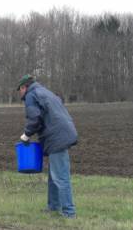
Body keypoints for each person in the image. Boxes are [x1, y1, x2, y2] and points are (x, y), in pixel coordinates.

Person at [17, 74, 78, 218]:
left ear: (24, 87)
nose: (19, 93)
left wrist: (26, 135)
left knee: (61, 177)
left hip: (57, 137)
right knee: (53, 176)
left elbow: (34, 118)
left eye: (19, 89)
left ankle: (69, 212)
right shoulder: (44, 92)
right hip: (61, 133)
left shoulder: (31, 95)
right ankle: (53, 206)